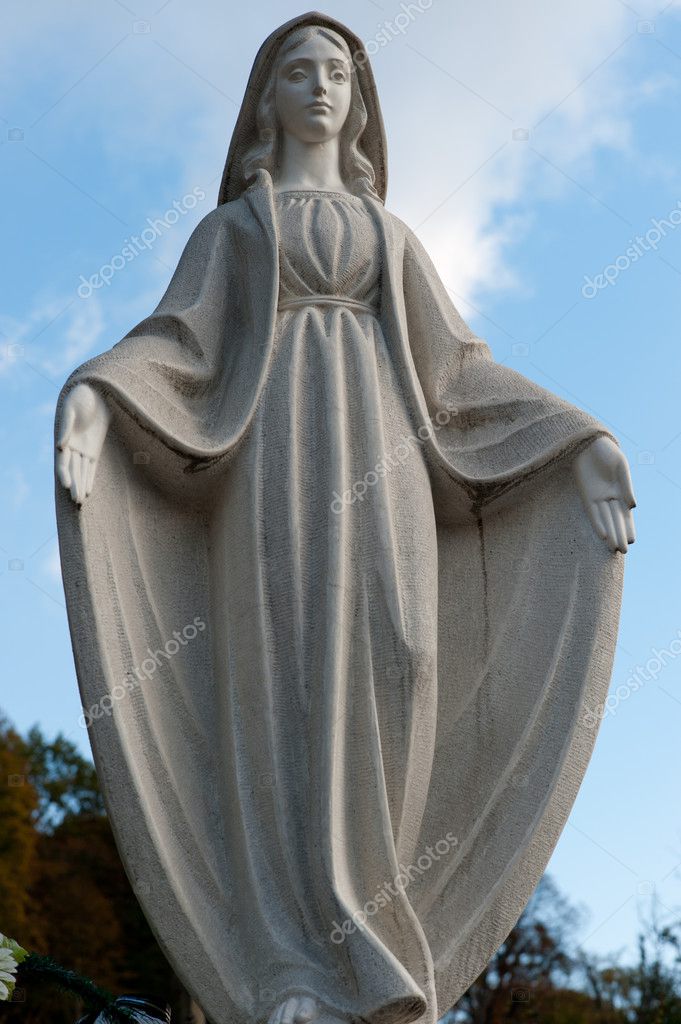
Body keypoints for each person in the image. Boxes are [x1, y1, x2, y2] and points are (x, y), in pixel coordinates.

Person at [55, 14, 635, 1024]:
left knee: (394, 661)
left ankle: (373, 935)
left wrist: (580, 441)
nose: (321, 86)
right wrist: (96, 394)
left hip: (387, 469)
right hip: (269, 466)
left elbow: (459, 372)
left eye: (338, 72)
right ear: (265, 99)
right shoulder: (234, 231)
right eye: (297, 71)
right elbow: (175, 346)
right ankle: (289, 966)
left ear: (359, 102)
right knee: (285, 680)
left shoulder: (389, 238)